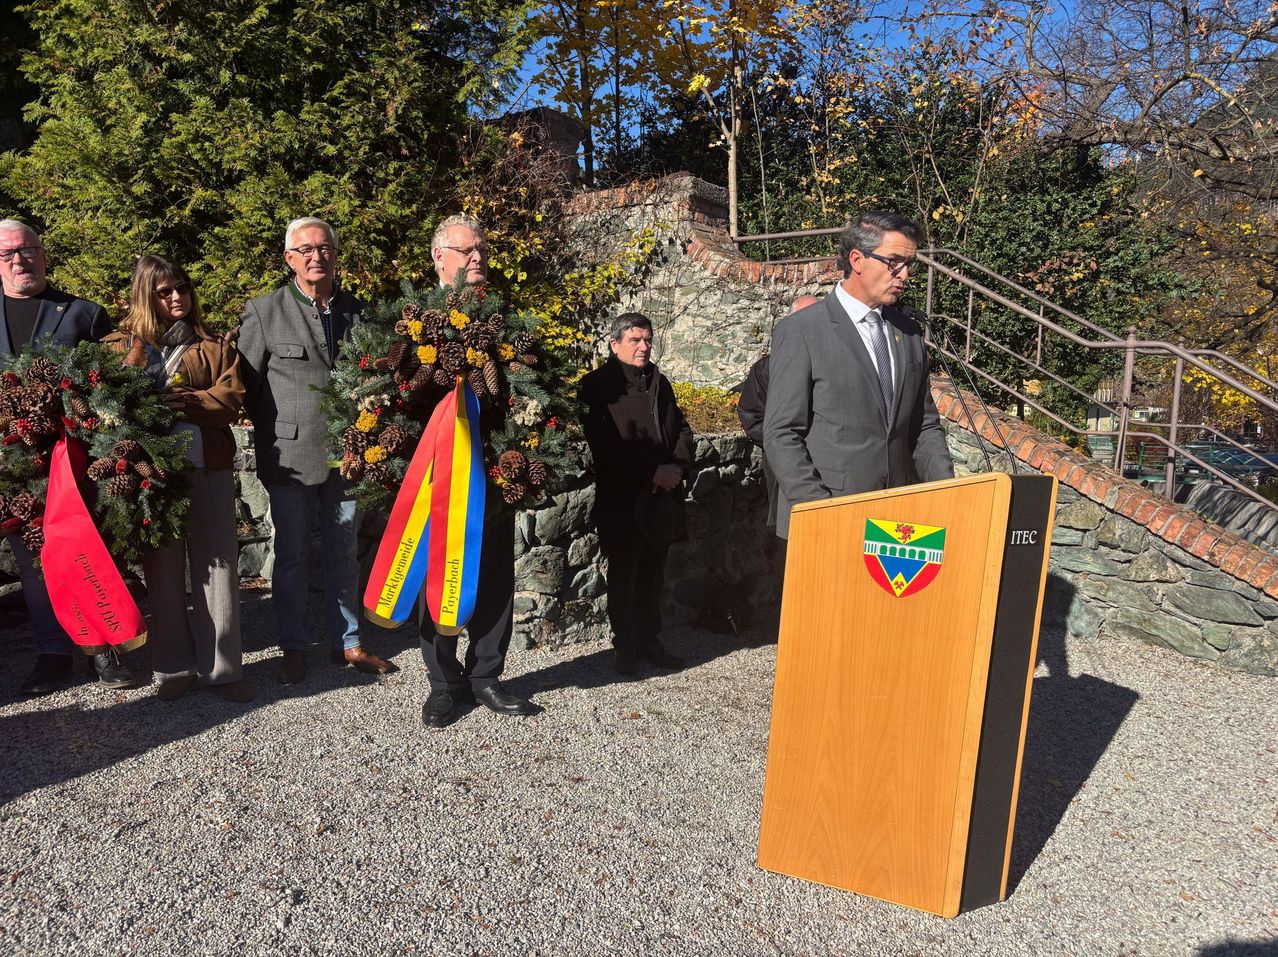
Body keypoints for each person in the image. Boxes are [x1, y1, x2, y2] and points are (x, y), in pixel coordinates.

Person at [239, 217, 393, 684]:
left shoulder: (358, 313)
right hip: (289, 457)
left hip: (346, 455)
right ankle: (293, 645)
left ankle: (348, 642)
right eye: (305, 249)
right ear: (289, 259)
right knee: (291, 555)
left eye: (324, 248)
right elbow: (245, 385)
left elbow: (374, 377)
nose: (316, 256)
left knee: (344, 553)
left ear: (335, 255)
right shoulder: (264, 312)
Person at [104, 256, 253, 702]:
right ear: (145, 296)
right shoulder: (116, 346)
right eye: (165, 291)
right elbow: (105, 403)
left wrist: (186, 402)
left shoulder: (213, 345)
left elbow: (231, 399)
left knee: (219, 566)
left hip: (208, 464)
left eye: (183, 288)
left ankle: (224, 671)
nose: (177, 298)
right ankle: (172, 668)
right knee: (162, 570)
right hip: (149, 475)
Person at [0, 219, 139, 694]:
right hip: (11, 469)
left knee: (90, 552)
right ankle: (52, 654)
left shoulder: (83, 313)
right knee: (32, 564)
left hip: (76, 464)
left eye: (28, 250)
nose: (20, 260)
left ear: (42, 253)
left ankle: (107, 651)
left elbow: (115, 390)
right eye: (8, 254)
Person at [763, 211, 953, 540]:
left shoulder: (908, 333)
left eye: (909, 264)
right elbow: (781, 434)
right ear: (858, 260)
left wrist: (949, 495)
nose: (904, 275)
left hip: (895, 523)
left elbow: (923, 425)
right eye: (894, 262)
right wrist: (821, 511)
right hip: (826, 518)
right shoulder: (802, 331)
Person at [420, 214, 536, 728]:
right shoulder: (413, 319)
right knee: (438, 578)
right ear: (439, 257)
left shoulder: (503, 320)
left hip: (495, 471)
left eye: (481, 250)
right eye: (466, 251)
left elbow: (531, 389)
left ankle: (487, 675)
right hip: (437, 478)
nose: (477, 259)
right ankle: (444, 684)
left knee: (494, 579)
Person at [580, 313, 695, 676]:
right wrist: (652, 472)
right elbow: (605, 445)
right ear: (614, 345)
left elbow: (682, 428)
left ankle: (650, 641)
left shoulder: (660, 382)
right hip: (622, 500)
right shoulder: (596, 386)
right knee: (625, 575)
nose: (643, 346)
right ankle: (625, 648)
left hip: (661, 499)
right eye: (634, 340)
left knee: (652, 575)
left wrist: (676, 467)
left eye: (647, 339)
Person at [736, 294, 820, 532]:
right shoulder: (766, 368)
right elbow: (752, 414)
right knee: (789, 531)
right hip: (783, 463)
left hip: (826, 461)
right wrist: (782, 442)